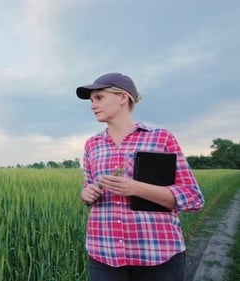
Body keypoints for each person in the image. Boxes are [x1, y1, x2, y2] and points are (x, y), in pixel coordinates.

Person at [76, 72, 204, 281]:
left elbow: (193, 198)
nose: (93, 105)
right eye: (91, 100)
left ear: (122, 97)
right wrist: (87, 194)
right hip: (104, 253)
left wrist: (135, 188)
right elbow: (88, 188)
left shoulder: (161, 138)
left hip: (158, 254)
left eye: (99, 97)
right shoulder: (92, 145)